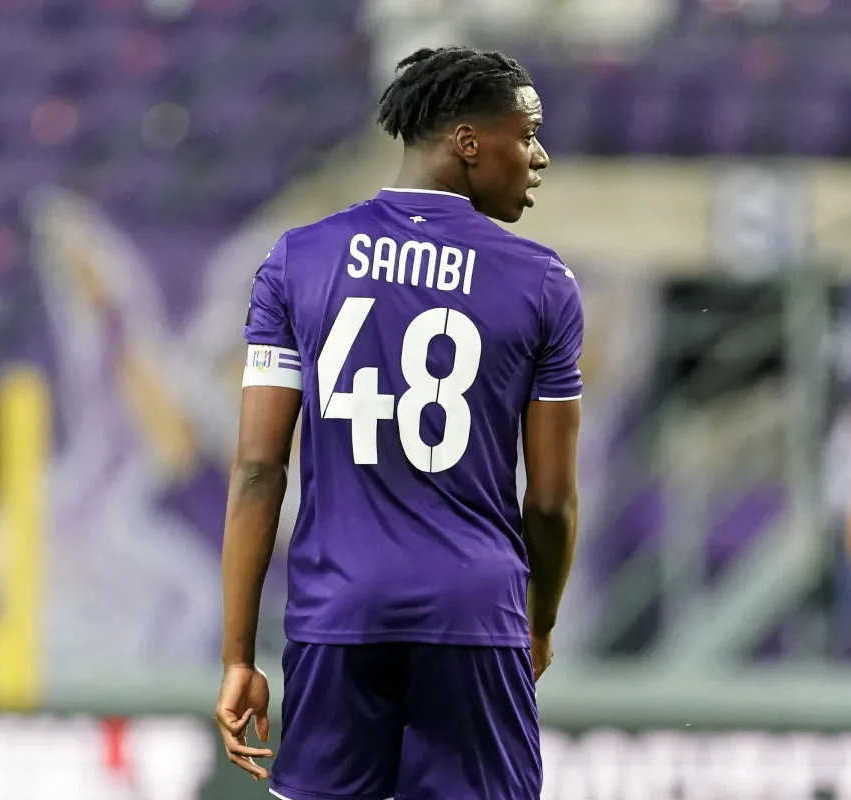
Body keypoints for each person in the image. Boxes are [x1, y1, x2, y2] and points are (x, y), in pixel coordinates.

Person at [214, 45, 583, 800]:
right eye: (529, 132)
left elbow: (258, 470)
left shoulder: (297, 261)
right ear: (469, 143)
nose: (540, 156)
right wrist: (539, 620)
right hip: (475, 613)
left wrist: (238, 657)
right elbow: (548, 502)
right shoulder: (543, 282)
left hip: (336, 614)